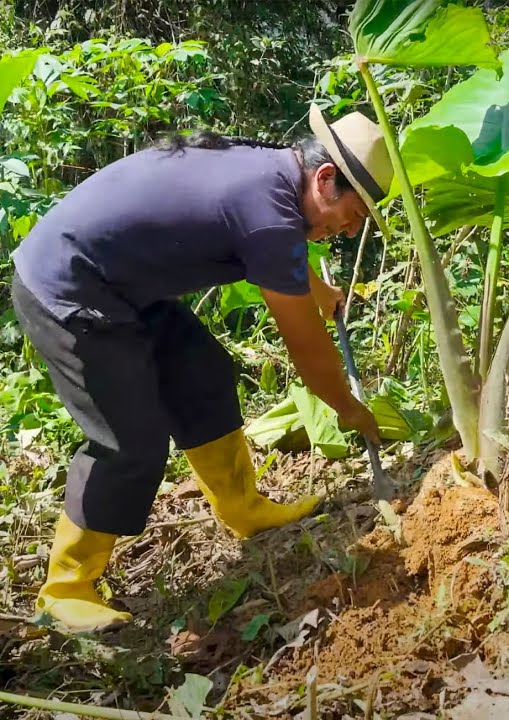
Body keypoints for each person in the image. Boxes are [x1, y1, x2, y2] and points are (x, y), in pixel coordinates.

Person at [9, 105, 390, 633]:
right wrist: (351, 410)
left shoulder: (271, 172)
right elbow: (308, 350)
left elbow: (268, 238)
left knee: (201, 371)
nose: (348, 232)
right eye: (352, 216)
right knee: (129, 437)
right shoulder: (267, 207)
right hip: (67, 285)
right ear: (325, 179)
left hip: (123, 283)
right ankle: (66, 587)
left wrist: (317, 290)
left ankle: (242, 507)